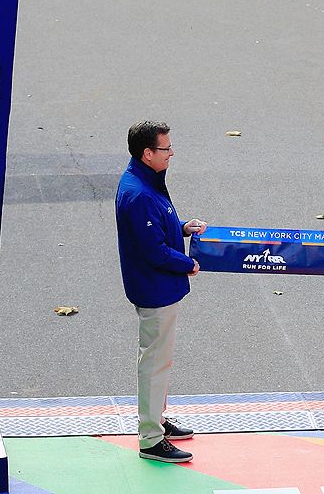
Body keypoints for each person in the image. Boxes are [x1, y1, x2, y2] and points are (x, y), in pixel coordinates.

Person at [116, 121, 207, 464]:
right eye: (166, 149)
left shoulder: (146, 181)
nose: (171, 154)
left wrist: (182, 228)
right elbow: (153, 251)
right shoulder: (138, 193)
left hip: (158, 287)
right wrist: (187, 263)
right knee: (154, 363)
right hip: (155, 290)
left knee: (159, 361)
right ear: (147, 153)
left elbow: (157, 229)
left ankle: (158, 419)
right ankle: (151, 439)